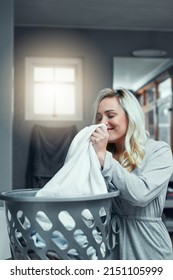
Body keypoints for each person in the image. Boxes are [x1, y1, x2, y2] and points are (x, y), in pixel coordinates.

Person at [91, 87, 173, 260]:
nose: (103, 122)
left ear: (130, 116)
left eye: (110, 115)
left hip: (148, 246)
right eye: (99, 117)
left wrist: (104, 158)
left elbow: (140, 194)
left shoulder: (159, 151)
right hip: (111, 246)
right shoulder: (100, 155)